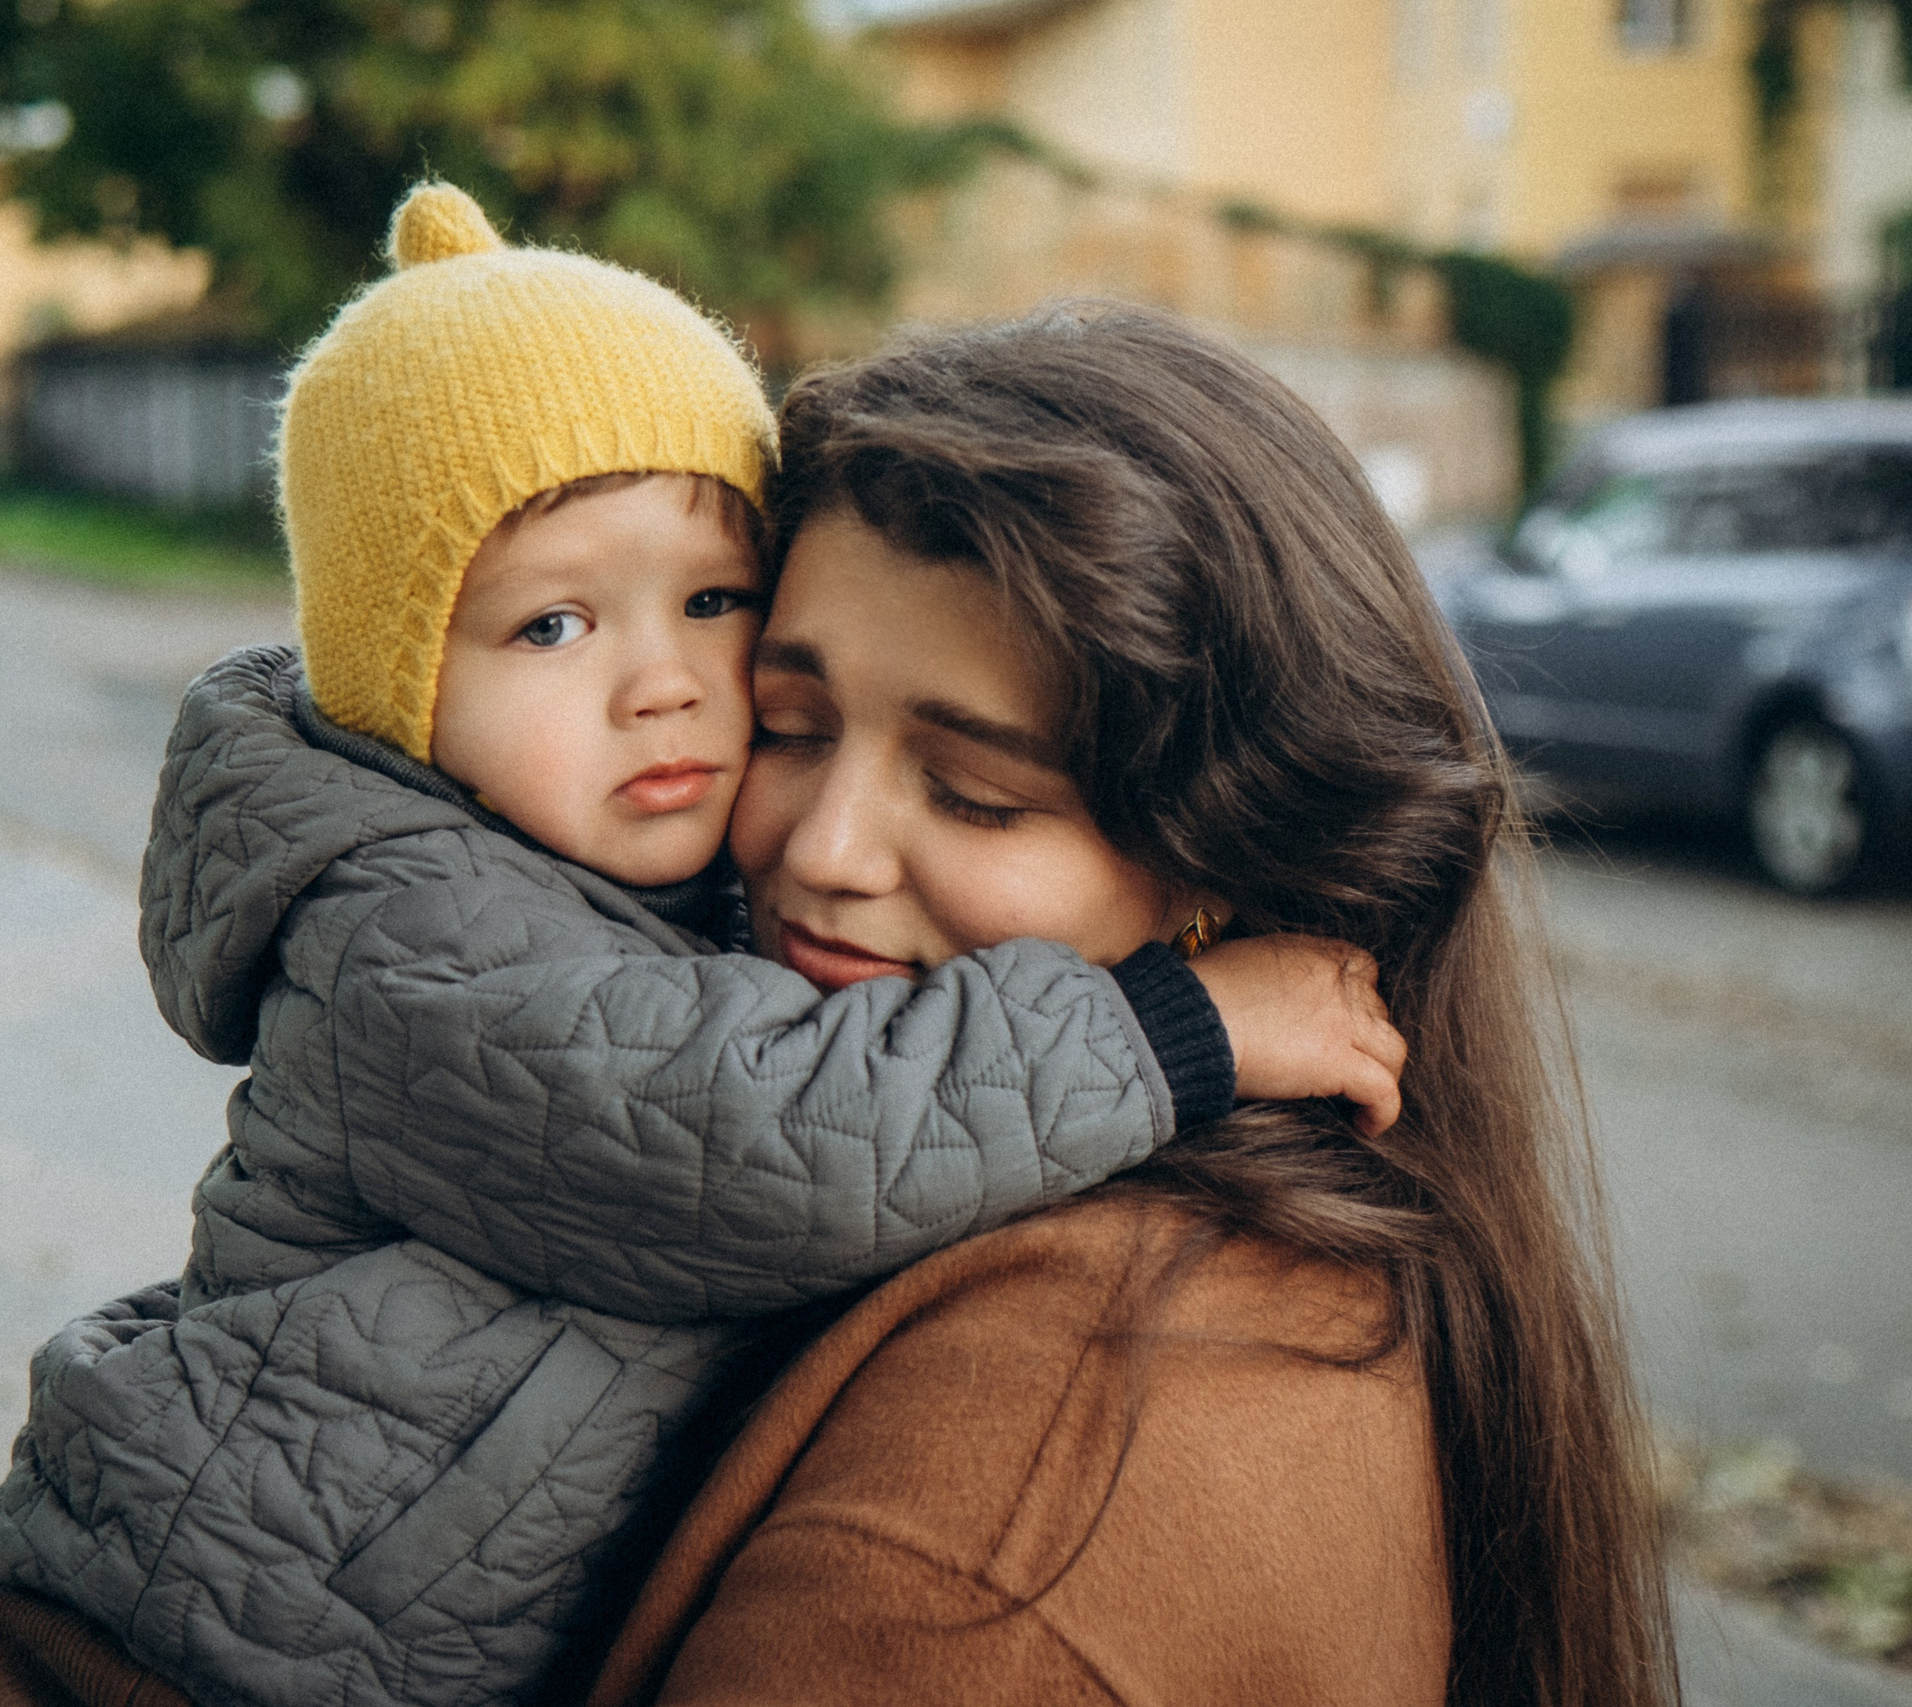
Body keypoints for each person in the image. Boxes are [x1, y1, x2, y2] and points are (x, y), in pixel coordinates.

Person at [0, 189, 1405, 1707]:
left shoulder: (1123, 1411)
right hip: (226, 1641)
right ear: (399, 687)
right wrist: (1170, 1032)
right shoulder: (414, 938)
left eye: (713, 603)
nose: (664, 689)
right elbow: (759, 1134)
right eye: (552, 628)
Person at [584, 308, 1680, 1706]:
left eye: (980, 793)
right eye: (789, 727)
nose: (821, 850)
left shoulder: (1009, 1522)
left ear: (1223, 861)